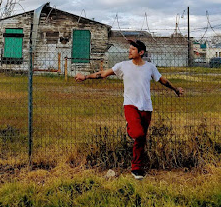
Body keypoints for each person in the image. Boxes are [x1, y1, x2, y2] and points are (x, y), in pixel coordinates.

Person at [75, 39, 184, 180]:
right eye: (130, 48)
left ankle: (136, 169)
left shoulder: (150, 67)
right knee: (137, 133)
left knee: (141, 140)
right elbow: (103, 74)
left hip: (146, 107)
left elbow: (162, 80)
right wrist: (85, 77)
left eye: (133, 49)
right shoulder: (123, 66)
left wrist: (175, 89)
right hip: (130, 105)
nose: (129, 51)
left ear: (141, 52)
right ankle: (130, 127)